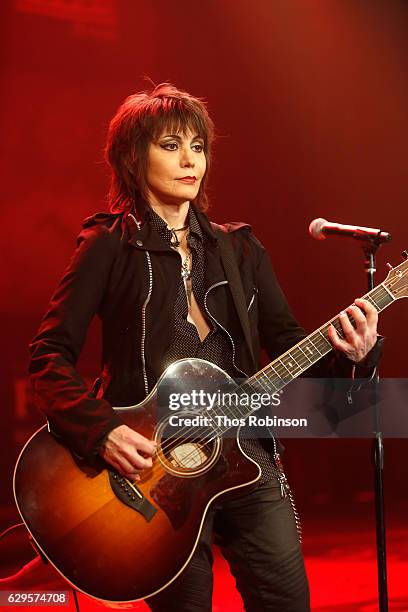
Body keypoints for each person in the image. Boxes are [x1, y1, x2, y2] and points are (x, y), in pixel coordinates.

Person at [28, 83, 381, 611]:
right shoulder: (109, 245)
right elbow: (49, 355)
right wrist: (101, 431)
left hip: (248, 459)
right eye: (171, 145)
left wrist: (354, 354)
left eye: (198, 146)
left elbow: (291, 353)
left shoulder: (238, 248)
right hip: (154, 479)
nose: (190, 159)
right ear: (131, 155)